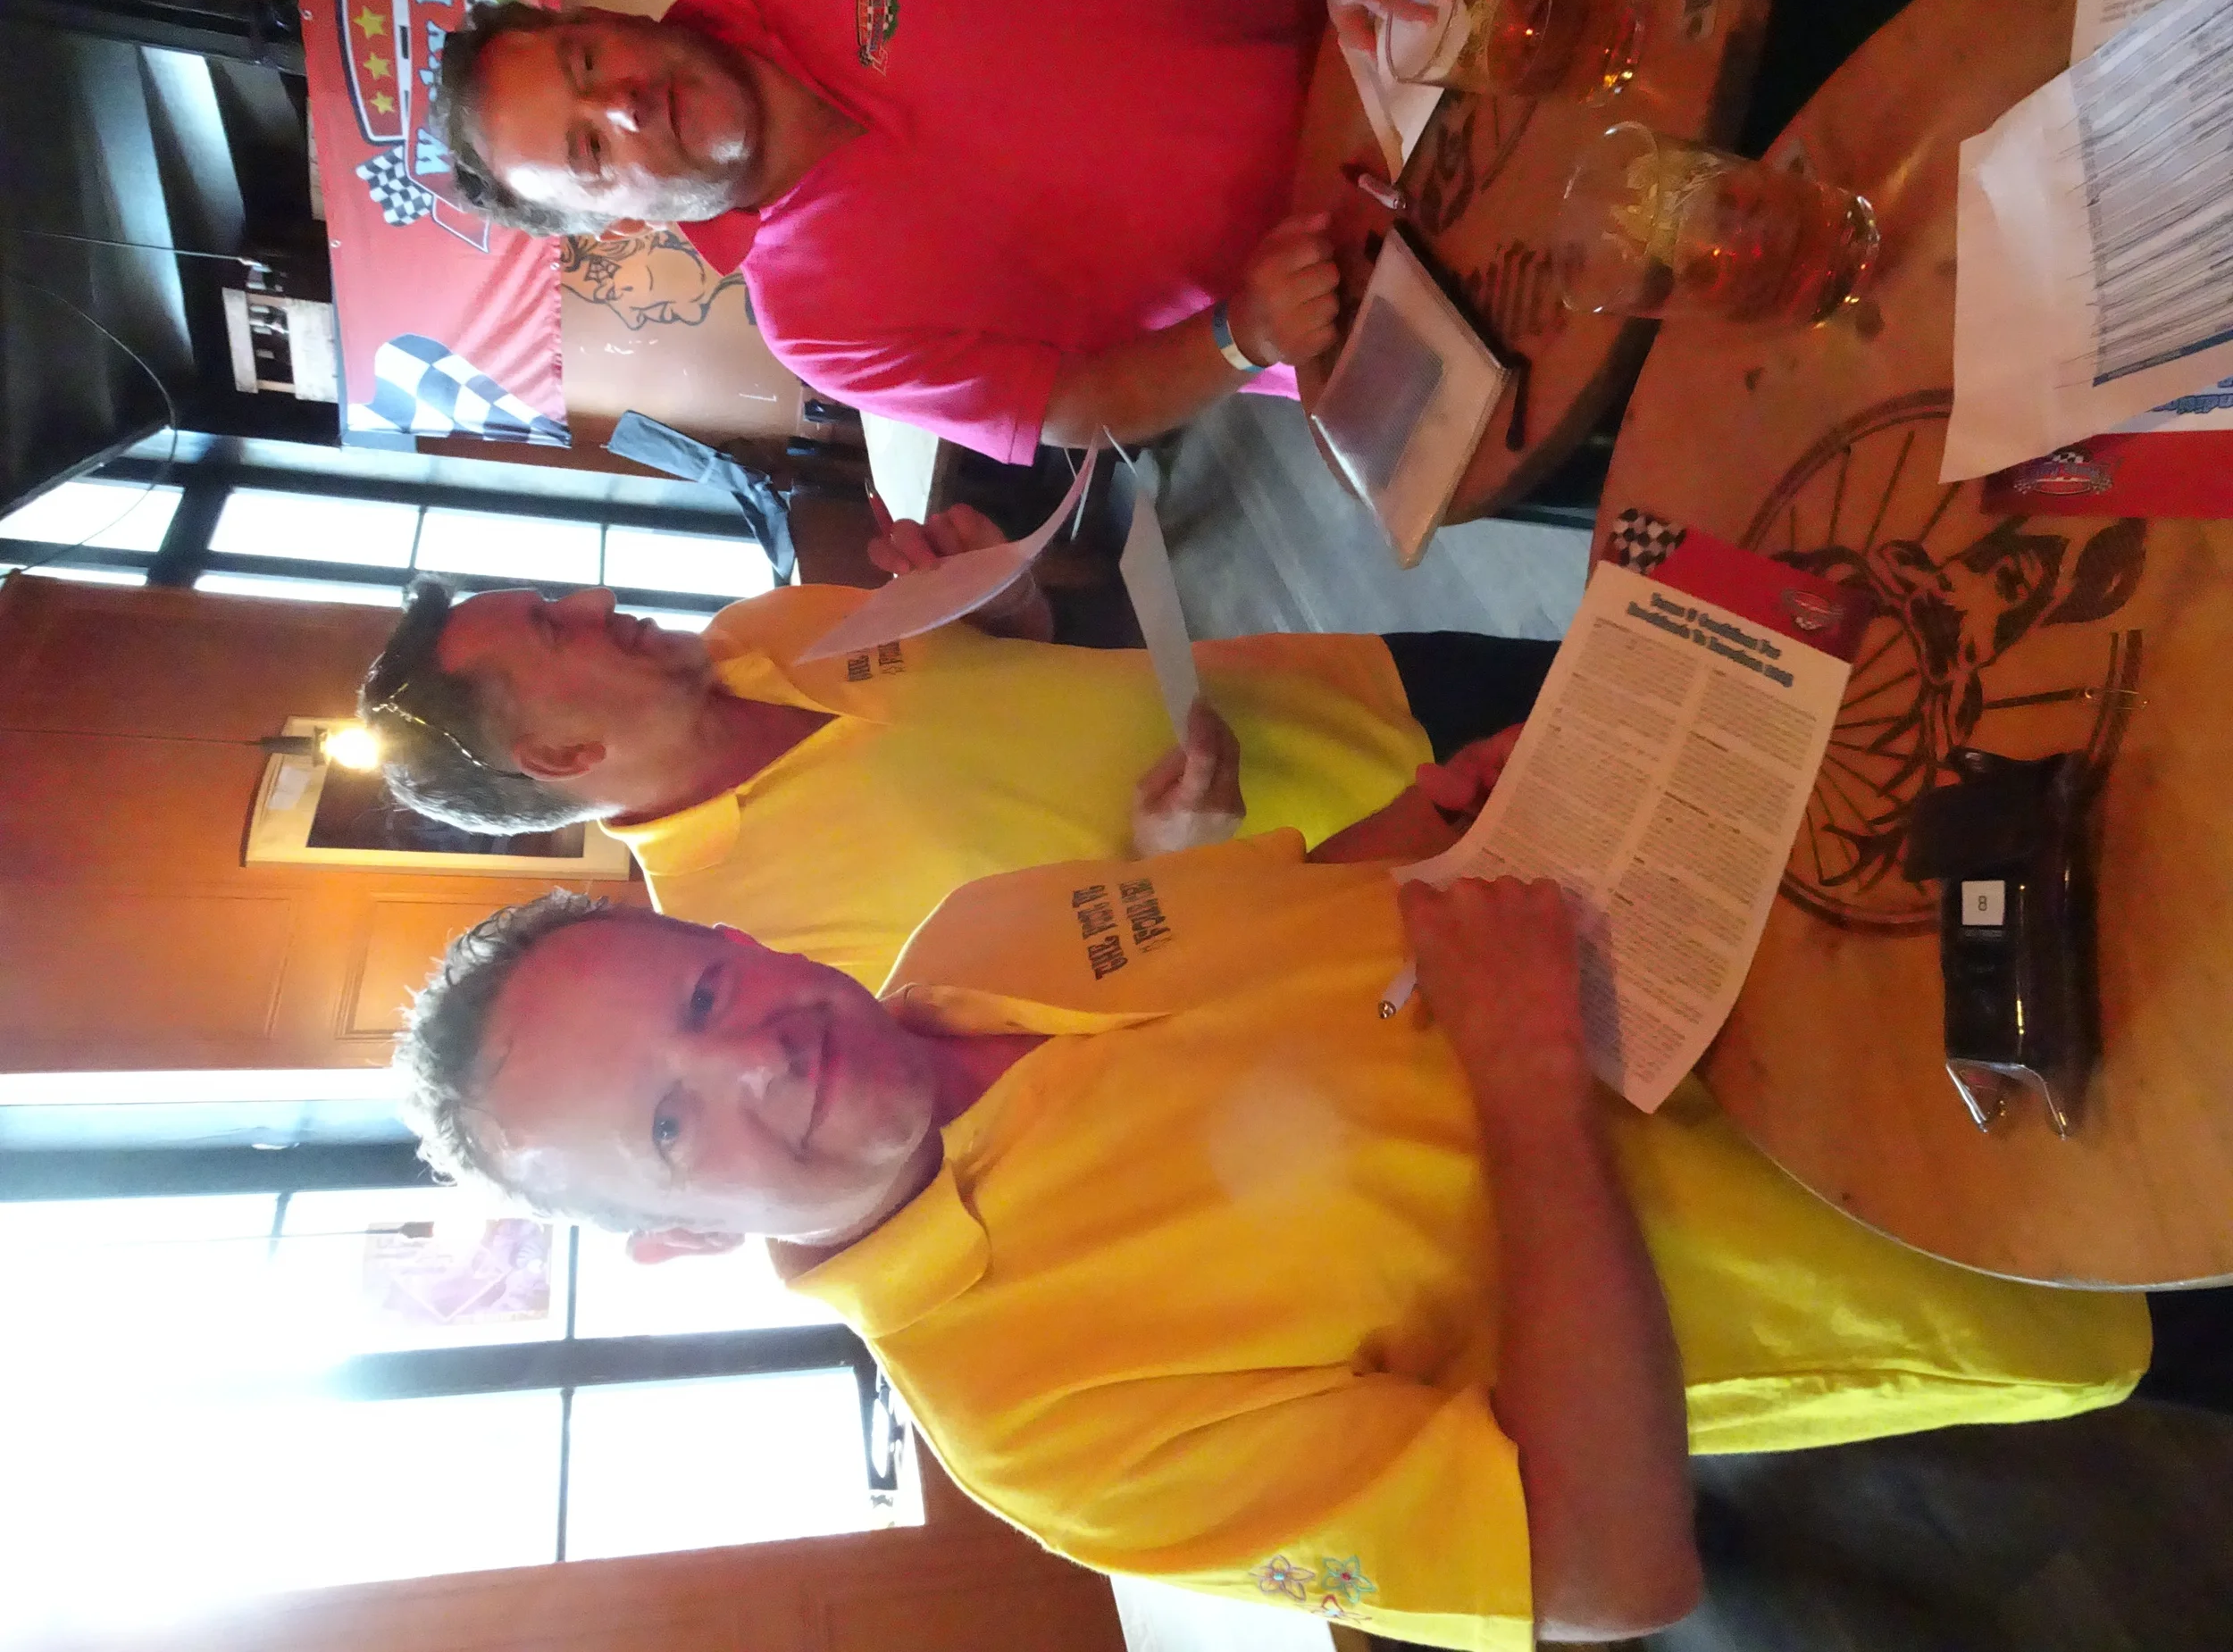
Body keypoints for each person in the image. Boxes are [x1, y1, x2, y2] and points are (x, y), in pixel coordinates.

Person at [392, 814, 2149, 1649]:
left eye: (705, 983)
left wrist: (1463, 813)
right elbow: (1603, 1574)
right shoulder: (1045, 1431)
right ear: (674, 1239)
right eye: (672, 1119)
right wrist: (1526, 1082)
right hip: (1977, 1208)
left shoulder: (977, 902)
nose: (754, 1045)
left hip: (1843, 910)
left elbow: (1344, 889)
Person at [358, 501, 1560, 987]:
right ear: (562, 754)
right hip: (1386, 883)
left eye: (552, 591)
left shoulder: (758, 623)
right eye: (553, 628)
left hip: (1358, 684)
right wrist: (1171, 869)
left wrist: (1005, 608)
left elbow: (1016, 671)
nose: (588, 598)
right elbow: (1082, 1032)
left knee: (1703, 669)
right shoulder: (758, 935)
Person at [424, 0, 1437, 458]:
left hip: (1407, 31)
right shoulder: (819, 330)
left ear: (606, 22)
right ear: (615, 227)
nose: (622, 105)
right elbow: (1073, 404)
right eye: (589, 151)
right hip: (1376, 300)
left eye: (586, 67)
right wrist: (1240, 334)